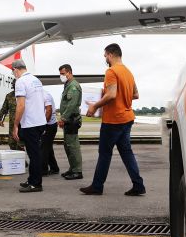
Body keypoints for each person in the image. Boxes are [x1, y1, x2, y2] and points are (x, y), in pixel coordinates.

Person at [81, 43, 145, 196]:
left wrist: (95, 106)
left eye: (105, 56)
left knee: (105, 153)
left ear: (110, 55)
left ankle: (97, 186)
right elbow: (135, 94)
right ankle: (138, 185)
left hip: (113, 120)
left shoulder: (111, 71)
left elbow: (111, 95)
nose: (105, 59)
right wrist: (119, 95)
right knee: (126, 152)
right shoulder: (128, 72)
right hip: (127, 117)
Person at [11, 59, 46, 193]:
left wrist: (15, 125)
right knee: (34, 152)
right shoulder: (36, 80)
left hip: (30, 123)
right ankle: (32, 179)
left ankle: (36, 184)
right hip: (40, 121)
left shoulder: (21, 82)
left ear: (15, 69)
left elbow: (21, 105)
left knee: (33, 154)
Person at [57, 64, 83, 180]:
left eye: (63, 74)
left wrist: (63, 118)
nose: (61, 76)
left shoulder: (73, 86)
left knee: (73, 146)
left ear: (69, 72)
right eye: (60, 74)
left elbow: (71, 105)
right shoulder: (67, 85)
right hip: (68, 120)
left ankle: (77, 171)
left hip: (71, 119)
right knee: (68, 145)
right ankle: (72, 168)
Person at [0, 84, 24, 151]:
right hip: (13, 124)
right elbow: (4, 109)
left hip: (24, 124)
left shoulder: (26, 95)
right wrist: (1, 119)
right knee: (12, 143)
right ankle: (15, 159)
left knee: (22, 143)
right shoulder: (9, 96)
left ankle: (22, 159)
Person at [41, 91, 60, 176]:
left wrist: (44, 125)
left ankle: (43, 170)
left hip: (49, 125)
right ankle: (54, 168)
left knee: (43, 148)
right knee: (47, 147)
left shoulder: (45, 95)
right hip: (47, 124)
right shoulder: (39, 94)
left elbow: (49, 110)